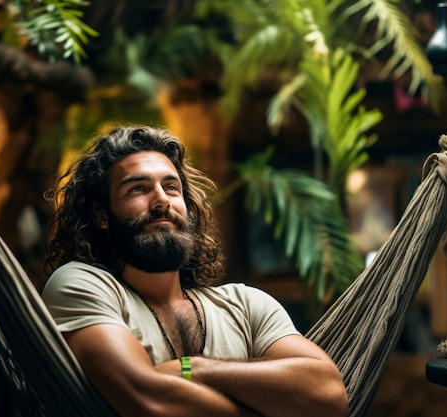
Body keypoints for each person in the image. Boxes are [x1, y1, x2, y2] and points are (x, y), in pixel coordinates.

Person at [41, 125, 348, 417]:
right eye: (138, 188)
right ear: (101, 215)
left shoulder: (247, 305)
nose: (161, 200)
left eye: (171, 187)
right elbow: (148, 400)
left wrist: (196, 368)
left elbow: (330, 395)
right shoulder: (82, 285)